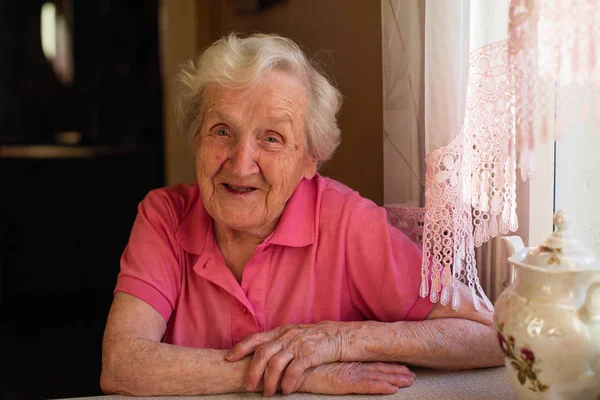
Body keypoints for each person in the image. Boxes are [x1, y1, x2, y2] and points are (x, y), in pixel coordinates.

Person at [100, 33, 504, 397]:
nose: (241, 165)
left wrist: (338, 341)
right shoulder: (165, 216)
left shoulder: (347, 224)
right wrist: (293, 372)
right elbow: (122, 364)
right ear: (196, 137)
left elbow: (489, 334)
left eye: (271, 138)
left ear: (311, 159)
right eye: (222, 130)